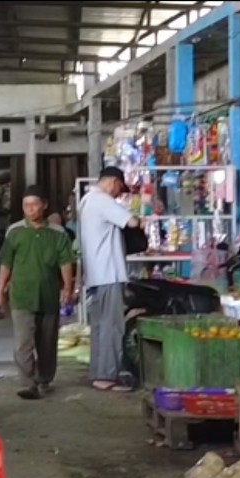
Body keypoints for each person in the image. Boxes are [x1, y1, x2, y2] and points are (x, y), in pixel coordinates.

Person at [0, 185, 77, 400]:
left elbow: (66, 262)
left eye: (34, 205)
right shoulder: (15, 232)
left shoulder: (57, 233)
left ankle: (44, 379)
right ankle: (27, 383)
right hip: (21, 295)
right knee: (23, 343)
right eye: (26, 206)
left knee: (47, 342)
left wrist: (67, 288)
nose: (30, 210)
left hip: (49, 295)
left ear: (44, 205)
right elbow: (6, 264)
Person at [77, 166, 142, 393]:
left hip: (96, 274)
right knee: (112, 326)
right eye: (119, 189)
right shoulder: (103, 201)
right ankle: (107, 375)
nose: (118, 194)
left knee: (99, 326)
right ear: (113, 182)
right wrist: (138, 217)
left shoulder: (86, 200)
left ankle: (98, 372)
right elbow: (132, 222)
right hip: (108, 272)